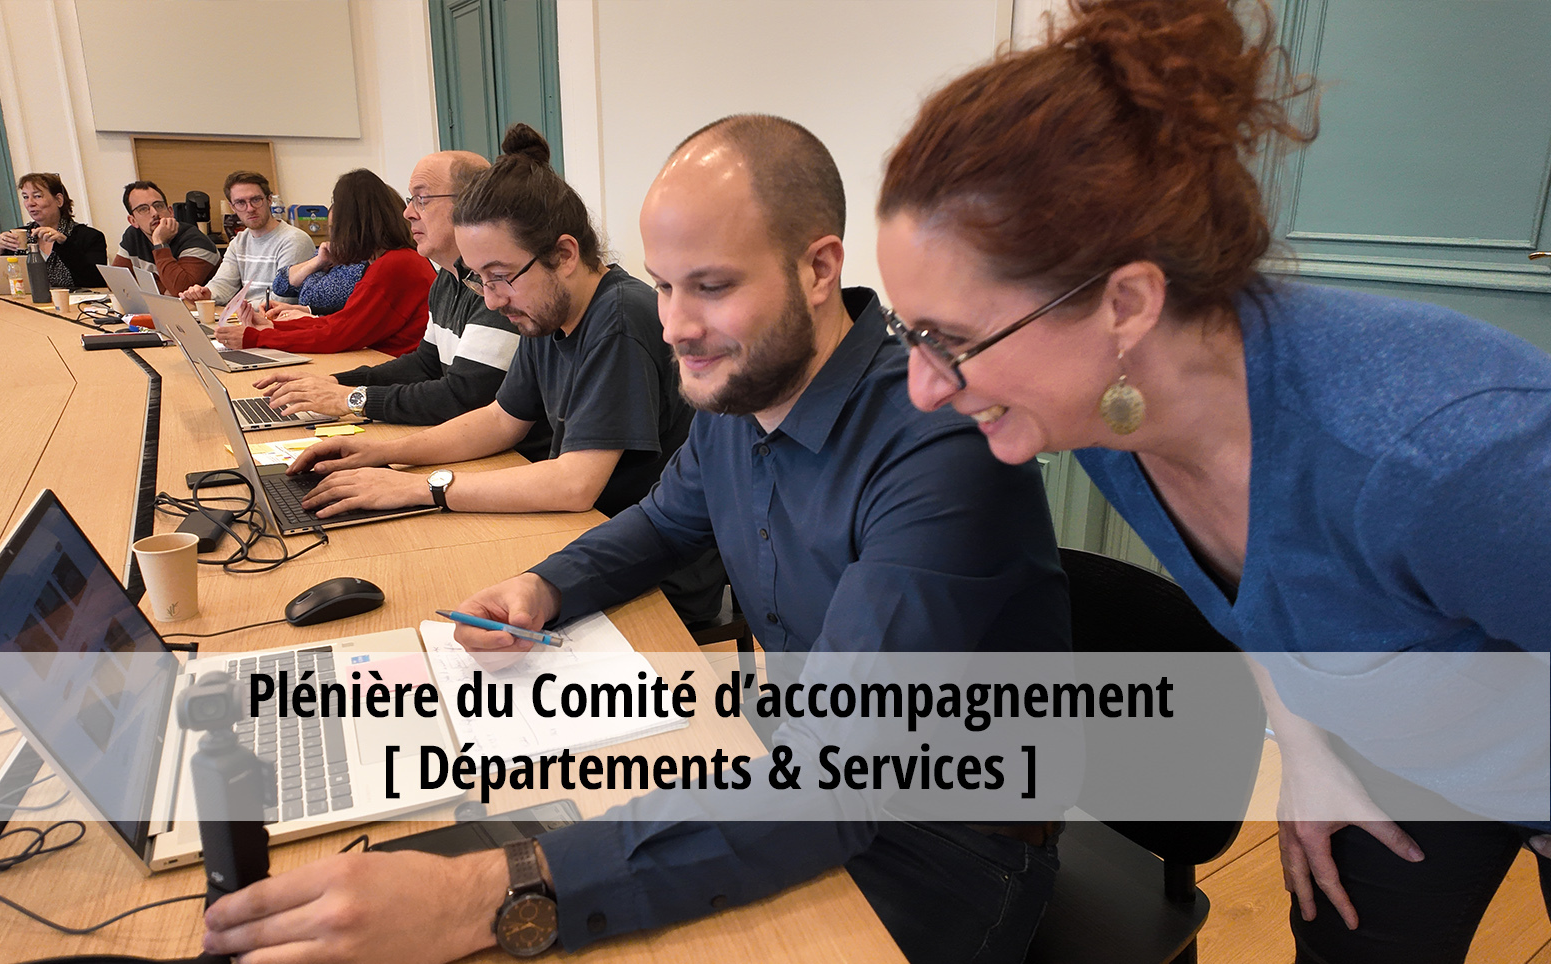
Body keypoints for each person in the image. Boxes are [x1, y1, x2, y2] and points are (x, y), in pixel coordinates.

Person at [202, 114, 1069, 964]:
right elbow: (660, 523)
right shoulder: (740, 392)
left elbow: (834, 779)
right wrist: (543, 587)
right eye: (665, 285)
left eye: (712, 286)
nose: (675, 324)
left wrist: (489, 895)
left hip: (948, 841)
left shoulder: (938, 446)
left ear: (817, 269)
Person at [874, 2, 1551, 963]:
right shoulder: (1112, 422)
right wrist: (1305, 747)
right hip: (1406, 747)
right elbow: (1269, 598)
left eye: (953, 339)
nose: (923, 387)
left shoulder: (1442, 452)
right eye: (909, 333)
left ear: (1127, 304)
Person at [275, 124, 723, 622]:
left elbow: (575, 484)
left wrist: (422, 488)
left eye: (500, 276)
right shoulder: (547, 312)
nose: (490, 300)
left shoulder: (617, 319)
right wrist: (383, 454)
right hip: (589, 542)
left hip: (649, 572)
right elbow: (500, 419)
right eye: (480, 280)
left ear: (564, 255)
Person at [250, 150, 549, 459]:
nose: (408, 213)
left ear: (471, 205)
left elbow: (464, 396)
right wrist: (334, 383)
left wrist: (352, 398)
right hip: (476, 447)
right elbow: (424, 365)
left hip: (510, 459)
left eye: (422, 199)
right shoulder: (447, 280)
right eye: (410, 200)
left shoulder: (497, 289)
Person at [212, 169, 434, 357]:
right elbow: (339, 323)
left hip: (391, 368)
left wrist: (257, 337)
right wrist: (273, 326)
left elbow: (339, 333)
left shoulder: (394, 265)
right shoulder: (393, 261)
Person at [179, 171, 315, 305]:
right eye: (240, 202)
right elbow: (223, 284)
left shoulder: (294, 240)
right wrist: (206, 294)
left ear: (269, 200)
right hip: (246, 314)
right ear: (232, 207)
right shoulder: (238, 242)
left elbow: (283, 300)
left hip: (276, 317)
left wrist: (238, 306)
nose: (250, 209)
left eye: (256, 200)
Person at [0, 173, 107, 289]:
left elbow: (96, 282)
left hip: (73, 300)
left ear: (59, 200)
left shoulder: (89, 237)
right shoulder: (19, 236)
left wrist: (64, 244)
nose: (30, 203)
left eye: (37, 196)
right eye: (25, 197)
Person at [111, 180, 220, 295]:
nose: (154, 213)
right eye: (143, 209)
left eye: (158, 206)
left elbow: (180, 291)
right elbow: (115, 281)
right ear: (133, 221)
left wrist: (160, 243)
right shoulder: (133, 236)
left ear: (170, 212)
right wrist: (163, 290)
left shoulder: (196, 240)